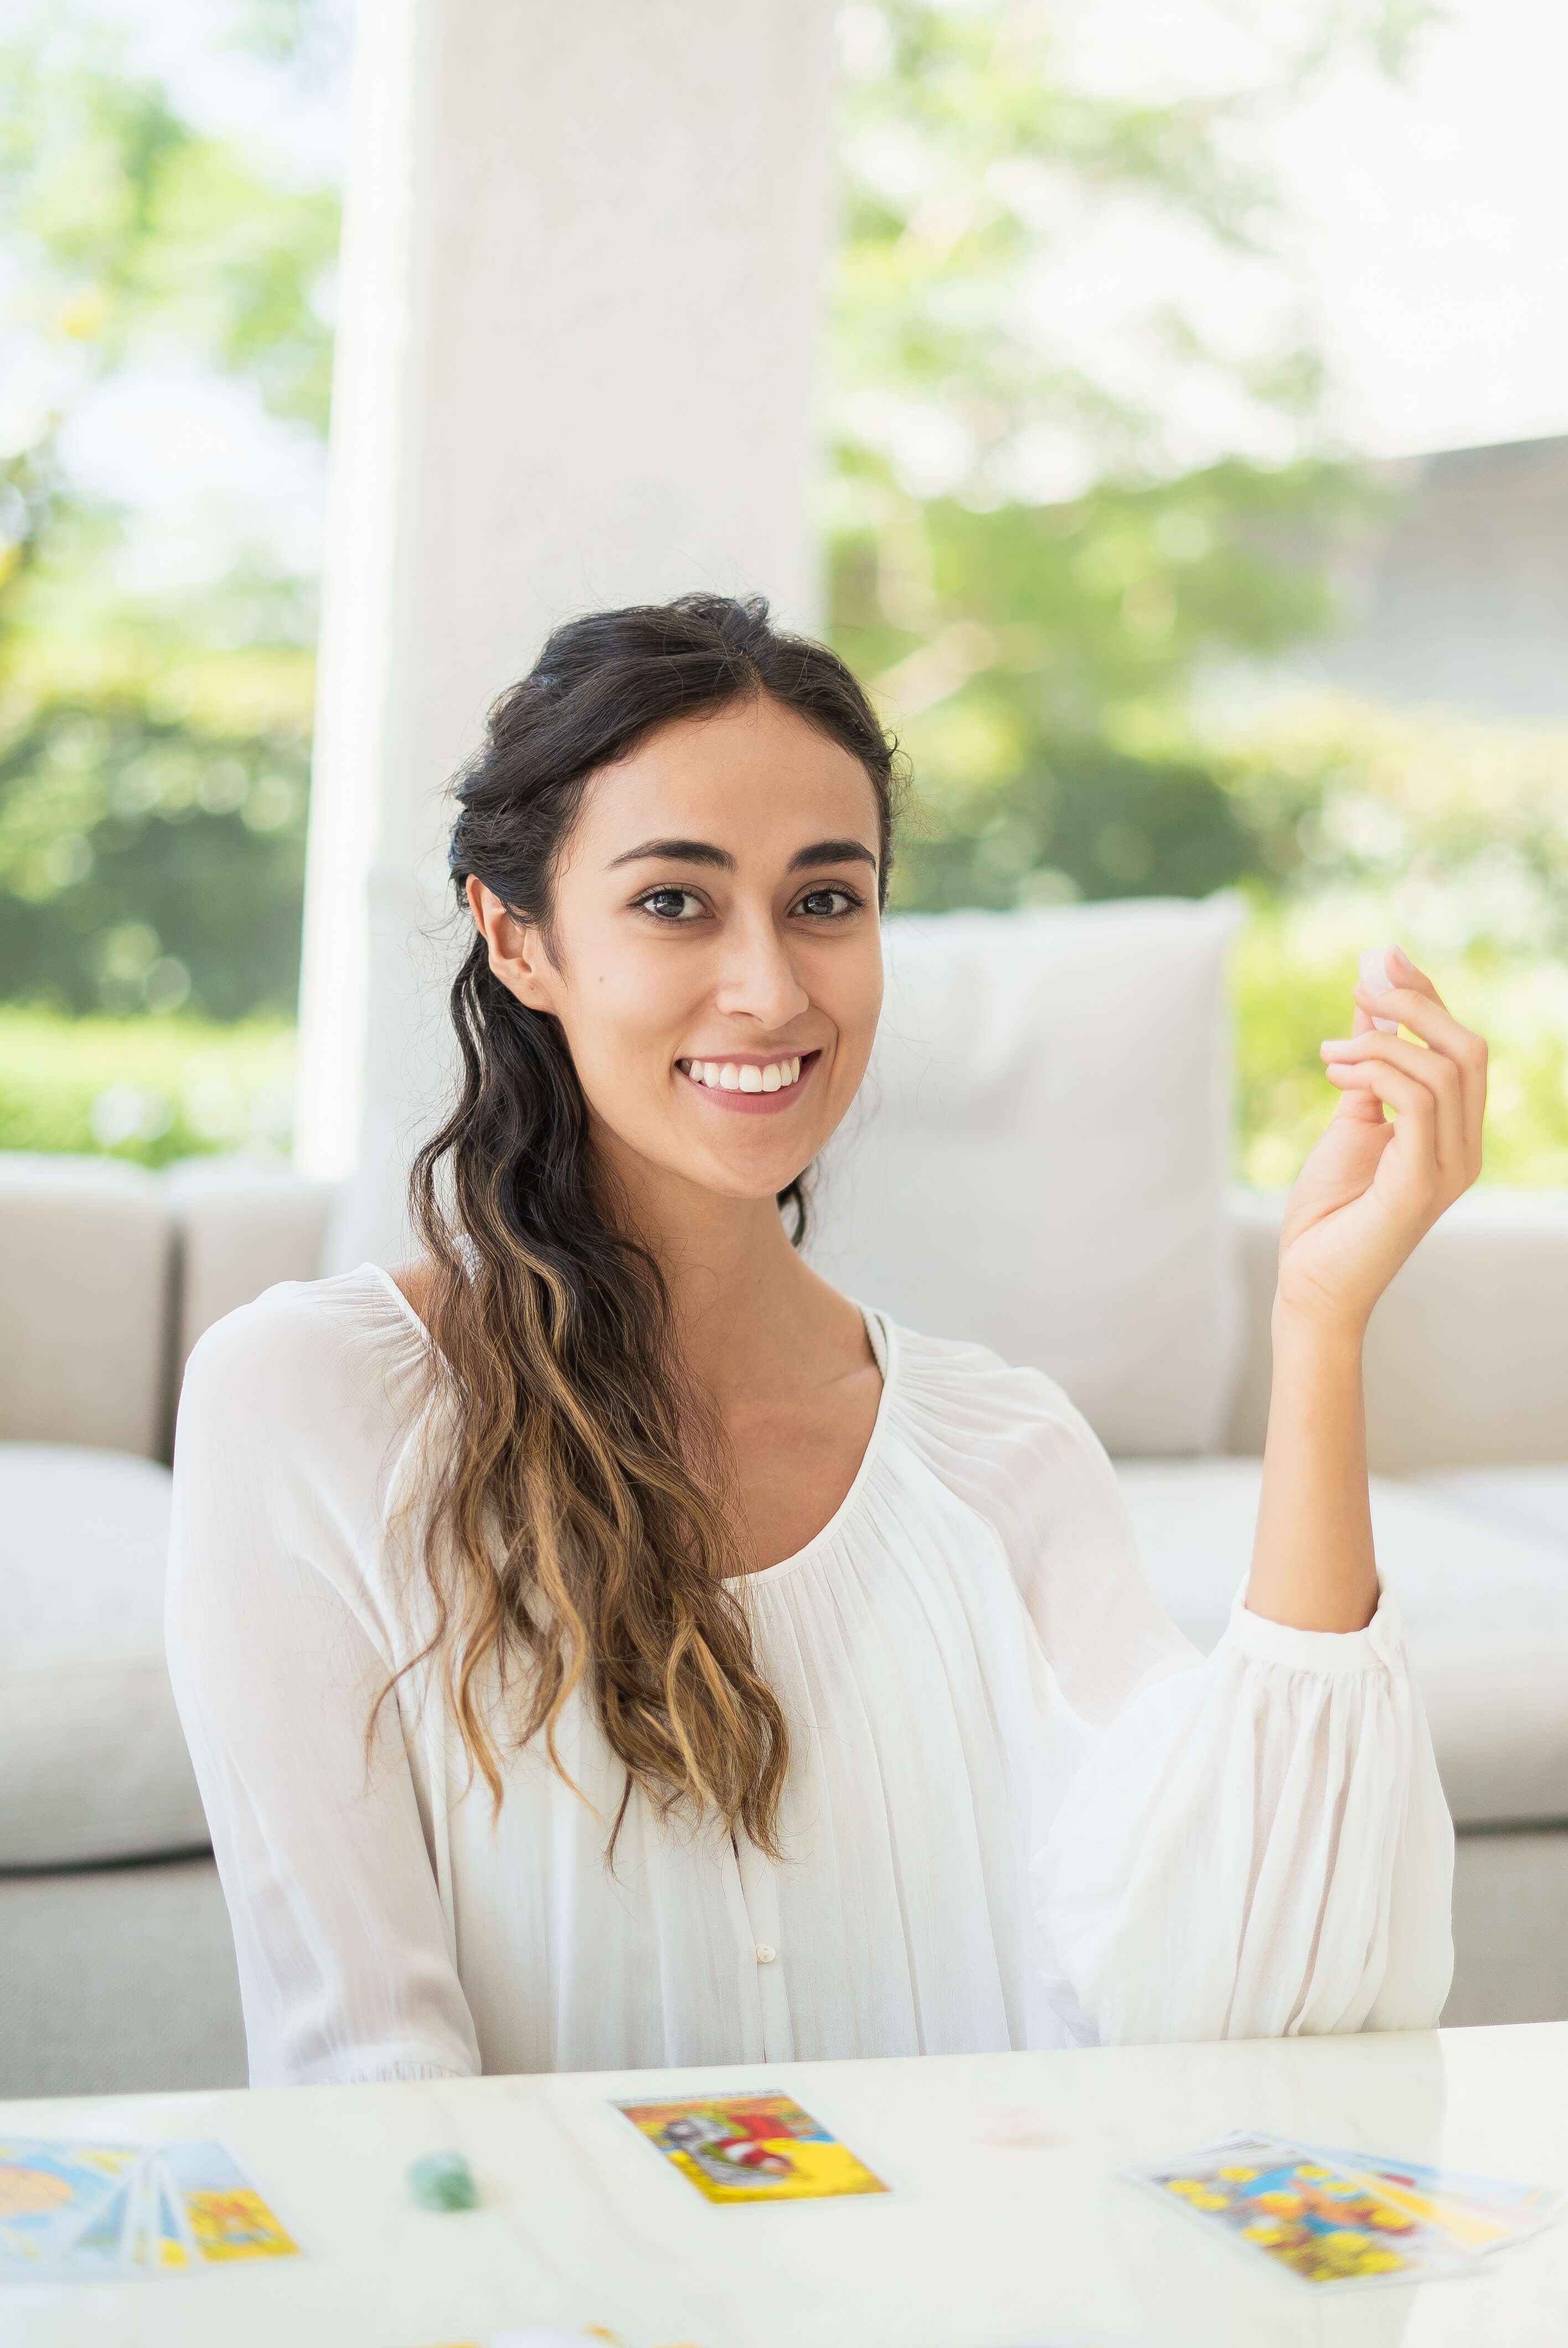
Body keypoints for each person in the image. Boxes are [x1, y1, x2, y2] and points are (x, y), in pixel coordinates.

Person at [167, 593, 1483, 2090]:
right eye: (676, 901)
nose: (773, 990)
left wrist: (1319, 1326)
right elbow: (364, 2078)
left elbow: (1256, 1977)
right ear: (516, 935)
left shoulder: (1003, 1452)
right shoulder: (309, 1406)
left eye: (825, 900)